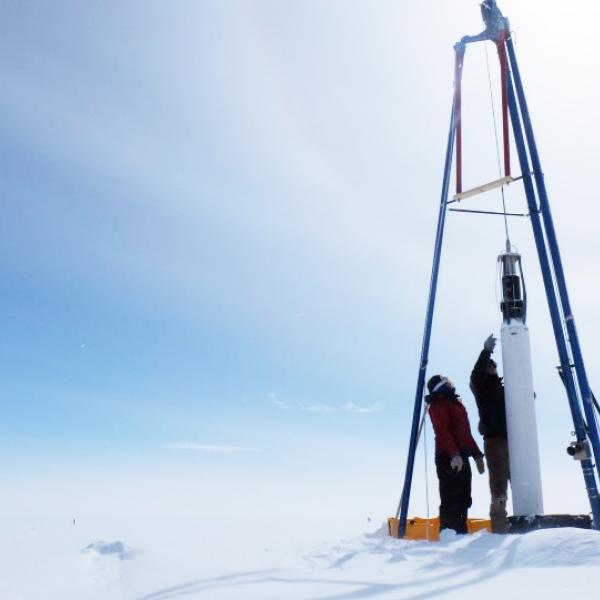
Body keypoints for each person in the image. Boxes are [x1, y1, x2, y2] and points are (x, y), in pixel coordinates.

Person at [426, 375, 485, 534]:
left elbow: (465, 434)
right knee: (452, 498)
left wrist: (477, 454)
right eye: (447, 381)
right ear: (441, 386)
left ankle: (461, 531)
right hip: (448, 458)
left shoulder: (455, 404)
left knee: (464, 497)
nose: (452, 383)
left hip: (461, 456)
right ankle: (449, 535)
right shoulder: (438, 405)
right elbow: (442, 432)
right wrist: (454, 455)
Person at [470, 334, 510, 533]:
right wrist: (486, 352)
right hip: (495, 442)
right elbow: (475, 376)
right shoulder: (482, 388)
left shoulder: (505, 389)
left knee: (522, 484)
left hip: (516, 440)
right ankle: (499, 531)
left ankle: (523, 528)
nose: (492, 368)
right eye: (489, 366)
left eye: (494, 366)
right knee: (499, 488)